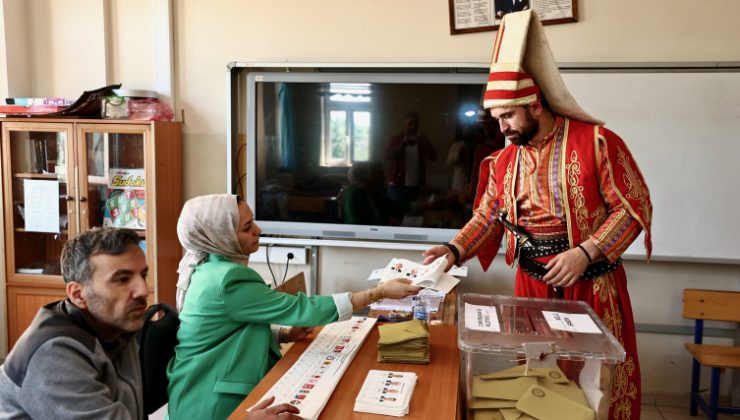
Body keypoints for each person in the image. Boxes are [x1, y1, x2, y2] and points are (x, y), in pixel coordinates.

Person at [423, 10, 651, 420]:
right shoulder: (503, 161)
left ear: (534, 104)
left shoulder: (597, 142)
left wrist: (586, 252)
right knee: (539, 381)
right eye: (496, 119)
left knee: (596, 387)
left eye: (508, 116)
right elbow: (487, 217)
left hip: (591, 283)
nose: (502, 128)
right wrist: (453, 250)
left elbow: (634, 209)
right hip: (531, 282)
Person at [167, 194, 421, 419]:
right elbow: (303, 308)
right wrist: (378, 292)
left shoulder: (209, 266)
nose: (257, 229)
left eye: (253, 221)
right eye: (247, 227)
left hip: (197, 381)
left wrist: (285, 334)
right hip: (210, 400)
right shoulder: (227, 279)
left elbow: (224, 330)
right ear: (221, 236)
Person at [384, 111, 437, 209]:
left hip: (415, 186)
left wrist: (426, 143)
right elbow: (386, 156)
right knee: (396, 213)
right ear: (405, 124)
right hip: (397, 185)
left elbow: (433, 157)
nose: (413, 126)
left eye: (416, 124)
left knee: (413, 215)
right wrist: (402, 145)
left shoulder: (421, 140)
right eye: (410, 124)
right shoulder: (397, 139)